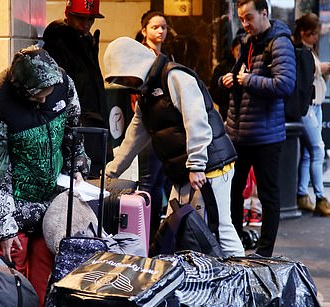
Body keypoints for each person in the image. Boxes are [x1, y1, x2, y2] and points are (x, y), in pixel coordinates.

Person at [0, 46, 91, 307]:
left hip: (51, 205)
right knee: (12, 287)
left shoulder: (61, 83)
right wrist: (3, 227)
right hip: (15, 208)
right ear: (24, 91)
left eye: (48, 94)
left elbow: (73, 129)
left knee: (47, 283)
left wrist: (77, 166)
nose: (45, 100)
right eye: (38, 96)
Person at [102, 36, 245, 257]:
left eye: (123, 76)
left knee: (220, 228)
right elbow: (134, 136)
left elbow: (196, 120)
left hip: (209, 167)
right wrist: (111, 172)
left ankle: (243, 282)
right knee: (175, 227)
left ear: (133, 63)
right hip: (187, 172)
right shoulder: (147, 92)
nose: (124, 82)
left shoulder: (174, 76)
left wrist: (197, 165)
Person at [223, 0, 296, 257]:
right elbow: (239, 75)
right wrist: (230, 79)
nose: (245, 24)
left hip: (266, 134)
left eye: (249, 18)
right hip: (238, 132)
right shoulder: (246, 42)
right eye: (241, 18)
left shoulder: (280, 42)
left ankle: (264, 251)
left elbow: (284, 85)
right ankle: (233, 244)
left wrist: (249, 80)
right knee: (233, 191)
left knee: (268, 194)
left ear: (264, 13)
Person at [43, 0, 110, 179]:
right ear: (68, 14)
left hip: (91, 122)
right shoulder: (60, 40)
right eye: (81, 18)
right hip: (79, 123)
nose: (86, 24)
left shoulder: (84, 40)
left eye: (91, 19)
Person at [293, 13, 330, 217]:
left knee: (308, 152)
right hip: (309, 106)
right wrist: (319, 69)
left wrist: (323, 70)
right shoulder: (300, 51)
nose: (317, 39)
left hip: (314, 105)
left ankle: (303, 193)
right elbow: (304, 75)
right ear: (306, 33)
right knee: (317, 149)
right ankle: (320, 197)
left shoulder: (307, 51)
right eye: (315, 35)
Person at [133, 10, 173, 243]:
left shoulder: (165, 57)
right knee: (148, 182)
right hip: (148, 127)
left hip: (163, 128)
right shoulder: (140, 56)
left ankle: (152, 237)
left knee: (159, 183)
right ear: (144, 30)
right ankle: (144, 238)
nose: (161, 31)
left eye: (164, 27)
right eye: (156, 27)